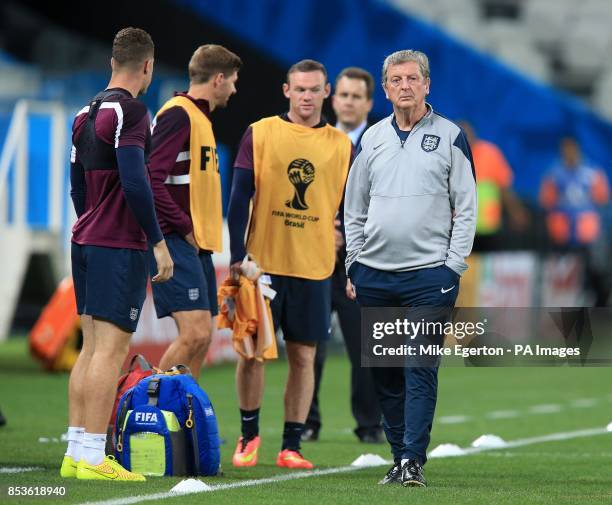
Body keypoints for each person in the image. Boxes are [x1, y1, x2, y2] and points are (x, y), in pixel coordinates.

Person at [344, 49, 476, 487]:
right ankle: (399, 456)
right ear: (385, 89)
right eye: (395, 80)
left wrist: (452, 267)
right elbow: (354, 205)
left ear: (426, 85)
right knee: (384, 373)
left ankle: (413, 460)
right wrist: (354, 261)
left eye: (412, 78)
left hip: (429, 278)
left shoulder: (452, 136)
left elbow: (467, 206)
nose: (404, 86)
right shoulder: (372, 139)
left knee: (419, 366)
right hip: (375, 275)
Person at [227, 59, 352, 469]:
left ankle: (291, 446)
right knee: (252, 354)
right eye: (299, 89)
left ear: (326, 92)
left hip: (315, 267)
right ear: (286, 91)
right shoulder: (260, 133)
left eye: (314, 89)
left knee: (304, 357)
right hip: (262, 267)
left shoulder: (341, 145)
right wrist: (234, 256)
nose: (306, 96)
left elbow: (352, 209)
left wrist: (345, 245)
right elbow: (238, 198)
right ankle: (248, 437)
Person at [61, 27, 173, 482]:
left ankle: (75, 451)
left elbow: (76, 186)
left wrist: (91, 222)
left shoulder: (84, 114)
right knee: (111, 350)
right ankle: (91, 457)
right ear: (146, 66)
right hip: (116, 245)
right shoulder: (133, 111)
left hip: (84, 240)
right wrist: (158, 242)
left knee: (90, 348)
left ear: (113, 60)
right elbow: (135, 181)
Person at [148, 44, 241, 378]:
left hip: (195, 242)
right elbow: (150, 178)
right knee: (195, 333)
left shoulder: (198, 118)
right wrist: (183, 225)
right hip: (176, 239)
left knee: (202, 338)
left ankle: (183, 422)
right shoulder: (178, 113)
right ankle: (150, 413)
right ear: (218, 79)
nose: (234, 88)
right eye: (232, 80)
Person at [303, 67, 384, 444]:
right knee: (309, 345)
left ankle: (369, 424)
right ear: (333, 99)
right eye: (344, 95)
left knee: (367, 346)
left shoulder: (382, 143)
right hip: (315, 258)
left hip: (362, 261)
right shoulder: (314, 139)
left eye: (356, 96)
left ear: (368, 103)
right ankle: (306, 421)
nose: (349, 102)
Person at [540, 137, 610, 306]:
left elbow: (603, 198)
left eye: (571, 149)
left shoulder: (592, 173)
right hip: (562, 232)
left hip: (587, 233)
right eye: (566, 150)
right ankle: (568, 303)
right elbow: (546, 201)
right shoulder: (554, 175)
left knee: (594, 269)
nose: (569, 153)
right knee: (566, 270)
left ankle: (599, 303)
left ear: (578, 150)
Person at [460, 120, 528, 251]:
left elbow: (505, 187)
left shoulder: (490, 154)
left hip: (488, 227)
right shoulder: (449, 156)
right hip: (461, 229)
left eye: (467, 134)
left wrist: (516, 212)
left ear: (474, 135)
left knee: (488, 267)